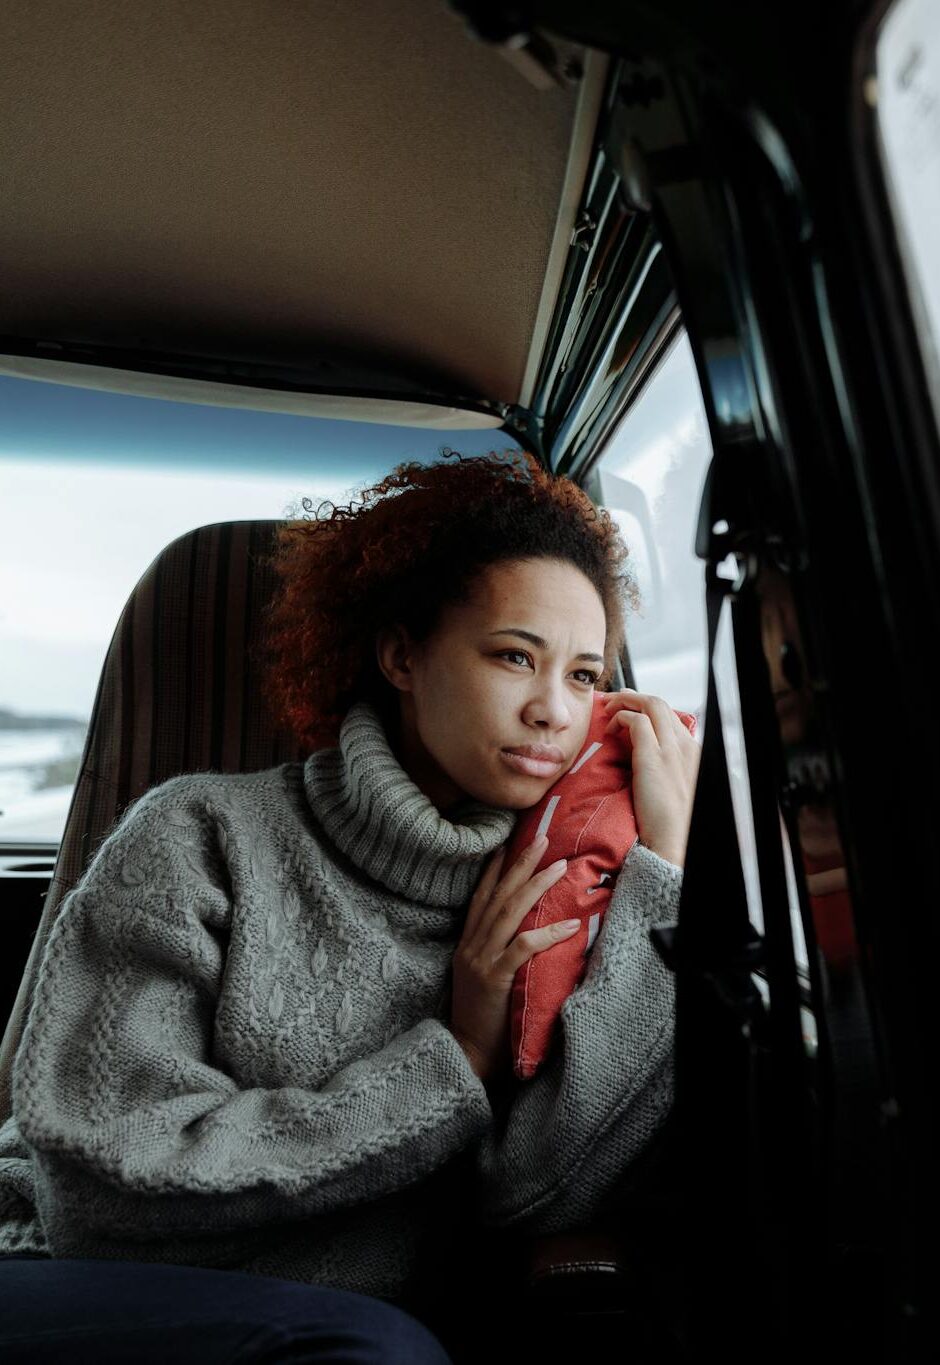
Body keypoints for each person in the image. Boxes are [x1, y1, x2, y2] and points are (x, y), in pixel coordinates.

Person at [0, 448, 700, 1362]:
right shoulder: (198, 835)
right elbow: (107, 1187)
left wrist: (664, 871)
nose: (552, 711)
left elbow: (543, 1195)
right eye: (514, 656)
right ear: (402, 655)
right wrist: (458, 1059)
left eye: (582, 675)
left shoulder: (558, 891)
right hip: (72, 1284)